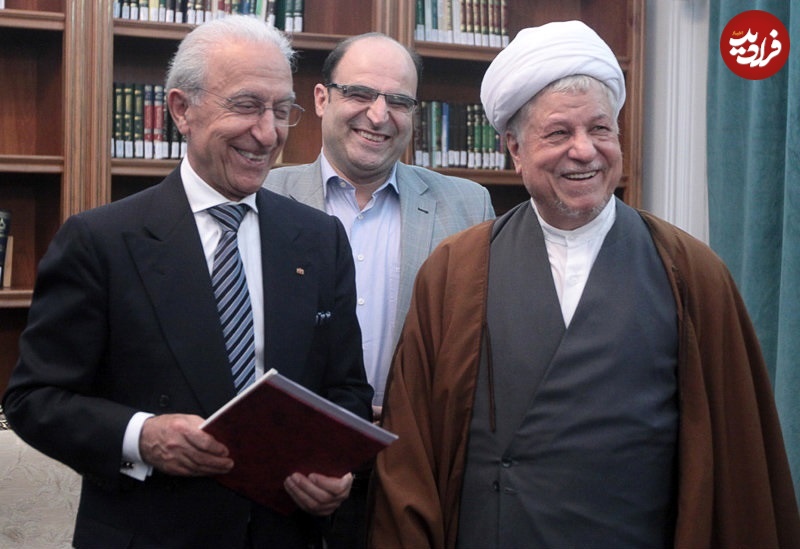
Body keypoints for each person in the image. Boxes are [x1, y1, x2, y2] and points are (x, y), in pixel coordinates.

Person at [368, 20, 800, 548]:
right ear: (514, 148)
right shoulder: (454, 271)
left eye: (600, 129)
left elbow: (739, 463)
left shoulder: (692, 272)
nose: (584, 151)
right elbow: (410, 457)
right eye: (558, 133)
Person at [2, 15, 373, 549]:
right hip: (153, 531)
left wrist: (336, 468)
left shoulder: (319, 239)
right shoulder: (101, 241)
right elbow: (34, 399)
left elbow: (347, 390)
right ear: (181, 110)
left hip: (283, 532)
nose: (267, 133)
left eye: (281, 110)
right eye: (246, 105)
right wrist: (141, 436)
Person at [264, 32, 494, 547]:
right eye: (360, 93)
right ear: (321, 98)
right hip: (289, 467)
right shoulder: (264, 196)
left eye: (398, 101)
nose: (378, 114)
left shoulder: (468, 206)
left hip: (414, 465)